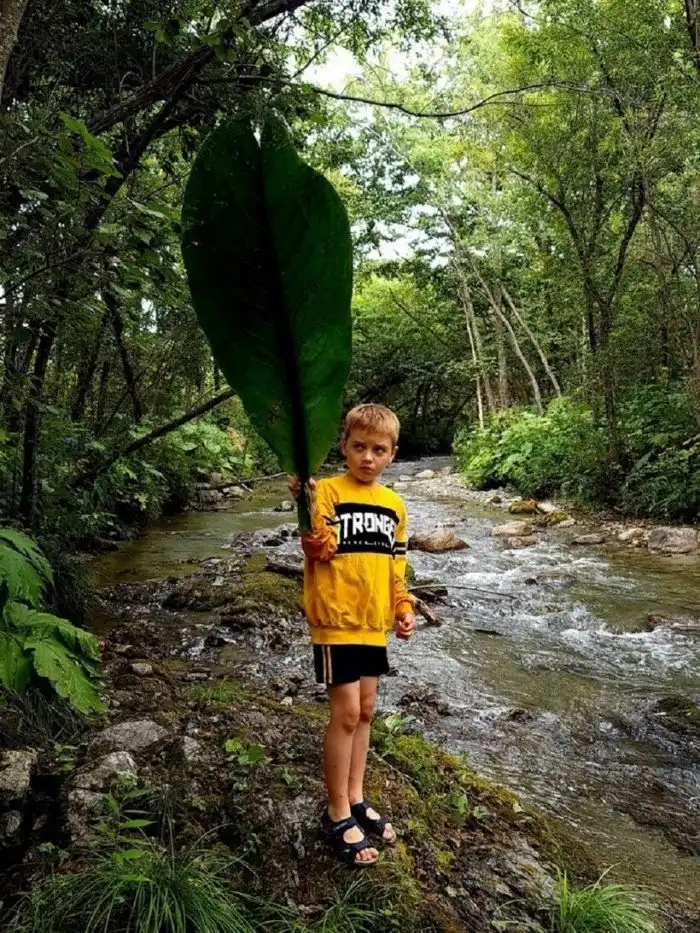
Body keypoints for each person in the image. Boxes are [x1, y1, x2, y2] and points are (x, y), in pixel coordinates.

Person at [288, 403, 416, 867]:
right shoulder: (326, 492)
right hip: (335, 620)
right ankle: (337, 810)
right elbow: (316, 548)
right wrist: (306, 507)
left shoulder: (394, 506)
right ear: (343, 446)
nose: (367, 457)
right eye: (359, 446)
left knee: (365, 711)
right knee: (344, 715)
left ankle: (356, 796)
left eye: (378, 450)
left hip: (372, 623)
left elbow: (396, 567)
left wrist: (403, 607)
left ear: (392, 454)